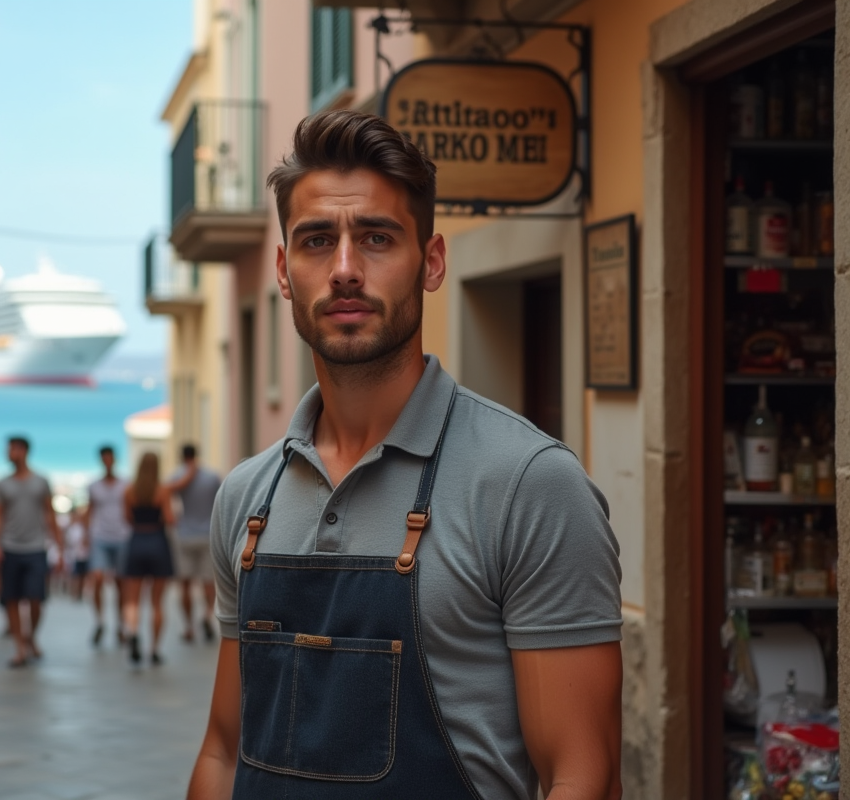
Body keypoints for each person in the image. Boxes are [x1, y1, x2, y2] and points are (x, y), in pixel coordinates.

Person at [187, 110, 622, 800]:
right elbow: (221, 751)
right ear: (284, 270)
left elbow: (582, 776)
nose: (345, 269)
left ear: (432, 261)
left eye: (377, 238)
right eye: (316, 240)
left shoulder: (528, 483)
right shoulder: (247, 496)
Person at [0, 436, 63, 668]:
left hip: (36, 548)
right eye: (8, 449)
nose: (9, 453)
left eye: (13, 449)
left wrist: (59, 546)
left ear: (24, 451)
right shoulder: (3, 484)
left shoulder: (41, 481)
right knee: (11, 598)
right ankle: (20, 647)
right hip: (10, 547)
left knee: (36, 599)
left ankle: (31, 636)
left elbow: (50, 513)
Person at [121, 452, 175, 666]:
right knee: (157, 603)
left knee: (133, 599)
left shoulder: (129, 491)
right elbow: (169, 519)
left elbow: (127, 518)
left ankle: (133, 633)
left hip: (136, 541)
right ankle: (154, 649)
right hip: (157, 542)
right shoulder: (163, 490)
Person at [168, 444, 222, 643]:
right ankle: (207, 616)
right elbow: (220, 504)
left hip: (185, 535)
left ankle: (189, 627)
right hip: (207, 534)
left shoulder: (176, 476)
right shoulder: (212, 477)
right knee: (208, 582)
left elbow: (166, 499)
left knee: (185, 584)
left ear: (181, 456)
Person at [83, 445, 130, 645]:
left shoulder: (126, 484)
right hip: (100, 537)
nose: (107, 462)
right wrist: (85, 536)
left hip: (122, 536)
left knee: (121, 584)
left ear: (114, 460)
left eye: (110, 458)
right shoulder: (94, 485)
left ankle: (121, 625)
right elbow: (90, 510)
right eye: (104, 458)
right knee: (97, 579)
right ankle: (100, 622)